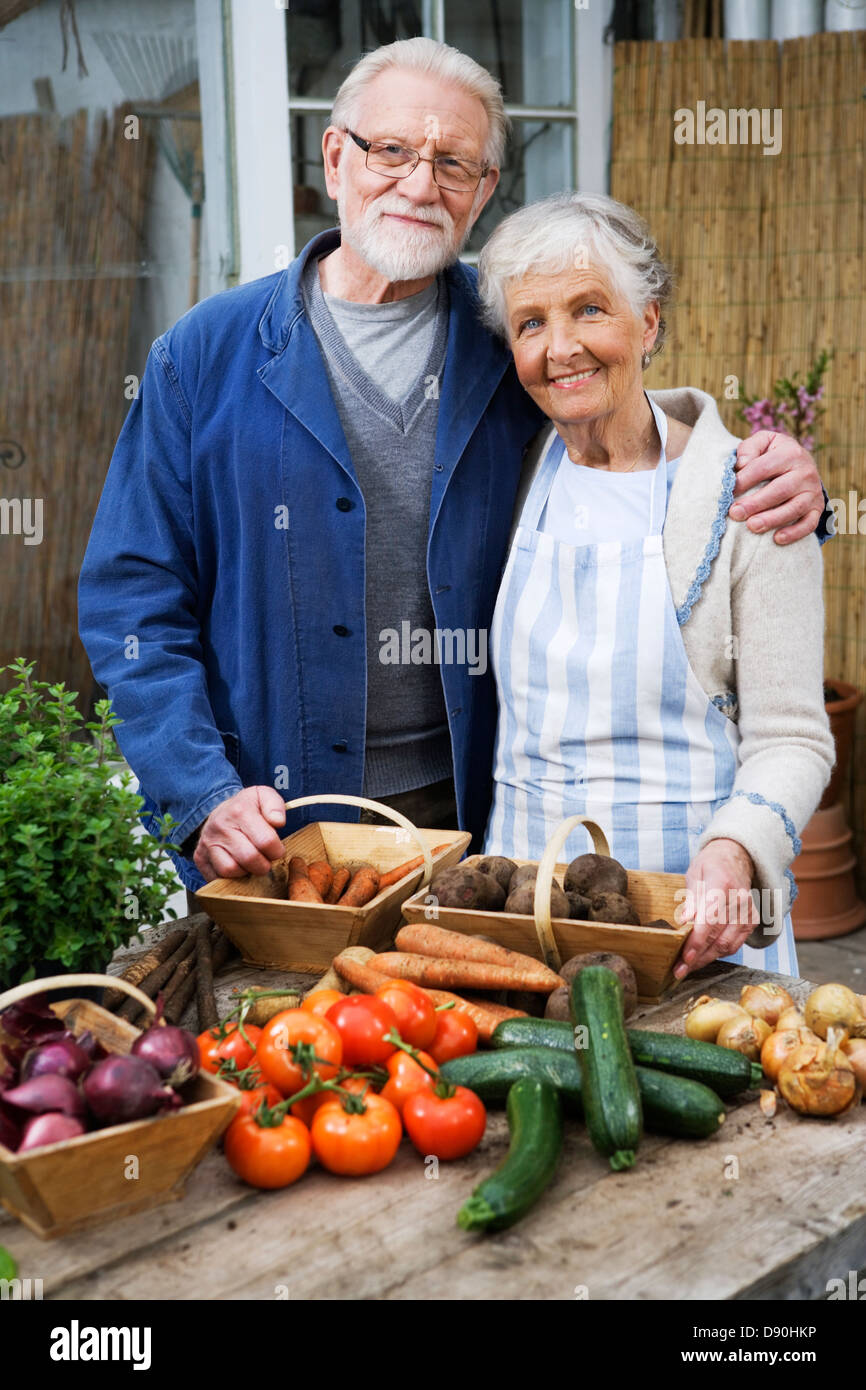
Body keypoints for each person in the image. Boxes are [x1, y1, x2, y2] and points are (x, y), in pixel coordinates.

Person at [78, 38, 828, 900]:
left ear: (482, 192)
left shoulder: (510, 337)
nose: (419, 182)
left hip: (474, 828)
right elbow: (133, 599)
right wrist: (199, 790)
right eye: (392, 149)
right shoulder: (203, 358)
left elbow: (634, 442)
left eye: (454, 162)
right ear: (335, 157)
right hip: (272, 824)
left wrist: (781, 482)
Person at [476, 191, 834, 977]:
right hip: (525, 924)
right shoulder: (509, 473)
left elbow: (793, 738)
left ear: (650, 323)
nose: (560, 347)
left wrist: (737, 852)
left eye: (590, 309)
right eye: (531, 323)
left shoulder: (749, 495)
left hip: (693, 922)